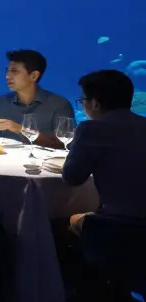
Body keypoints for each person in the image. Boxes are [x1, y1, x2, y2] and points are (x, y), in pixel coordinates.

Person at [62, 69, 146, 227]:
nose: (83, 105)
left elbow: (72, 177)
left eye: (82, 100)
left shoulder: (91, 129)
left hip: (120, 224)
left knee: (70, 220)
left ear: (94, 103)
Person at [0, 49, 74, 146]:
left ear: (34, 75)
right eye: (7, 71)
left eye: (14, 71)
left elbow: (64, 145)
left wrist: (21, 130)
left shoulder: (59, 105)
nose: (7, 76)